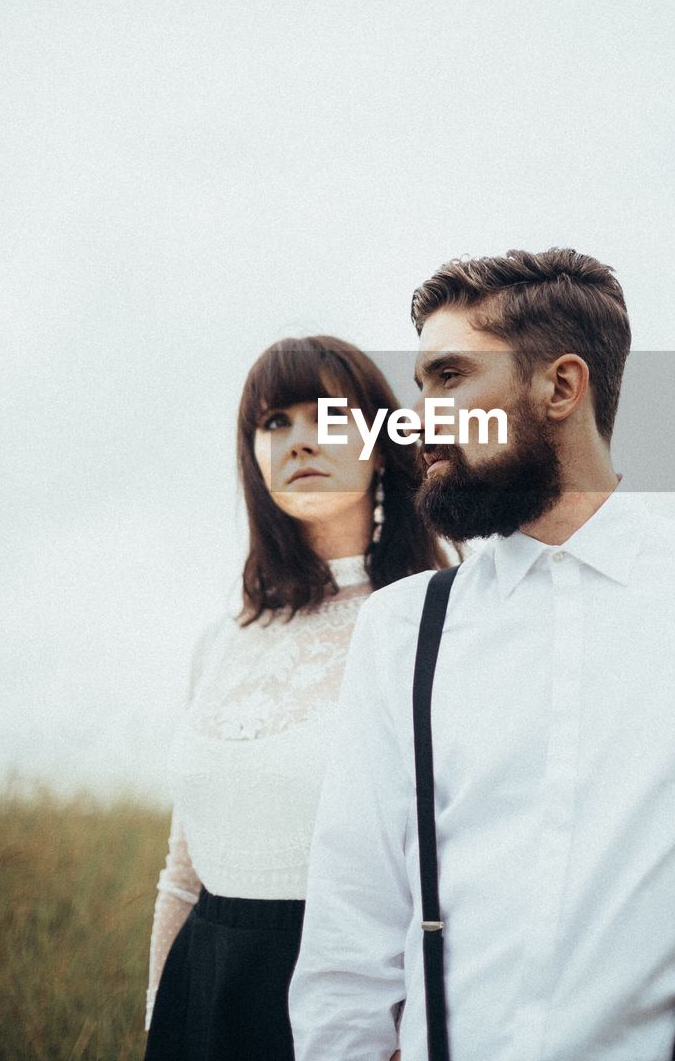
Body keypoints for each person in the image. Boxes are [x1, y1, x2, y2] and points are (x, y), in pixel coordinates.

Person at [289, 248, 675, 1061]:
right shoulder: (403, 631)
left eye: (449, 377)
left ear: (561, 387)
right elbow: (348, 935)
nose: (418, 416)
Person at [143, 335, 447, 1061]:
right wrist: (158, 1017)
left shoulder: (431, 622)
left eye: (331, 418)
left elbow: (449, 876)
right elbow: (182, 875)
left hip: (348, 1002)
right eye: (274, 422)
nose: (300, 441)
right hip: (202, 993)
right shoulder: (223, 639)